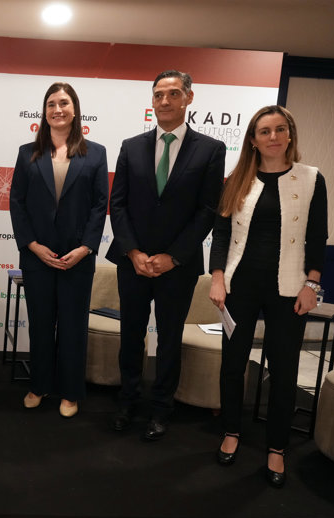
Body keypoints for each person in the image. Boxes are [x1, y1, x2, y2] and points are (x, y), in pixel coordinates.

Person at [209, 105, 327, 488]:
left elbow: (318, 236)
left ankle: (276, 447)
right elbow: (221, 234)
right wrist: (217, 278)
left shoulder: (311, 179)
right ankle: (231, 431)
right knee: (233, 364)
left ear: (289, 135)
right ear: (253, 140)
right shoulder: (237, 180)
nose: (273, 137)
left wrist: (312, 285)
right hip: (240, 286)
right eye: (264, 131)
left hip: (289, 290)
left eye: (279, 129)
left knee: (284, 370)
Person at [107, 70, 225, 439]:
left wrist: (173, 257)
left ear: (189, 98)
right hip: (133, 262)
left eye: (173, 94)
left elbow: (207, 210)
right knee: (131, 335)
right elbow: (118, 204)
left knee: (169, 339)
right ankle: (127, 401)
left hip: (178, 266)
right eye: (158, 94)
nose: (164, 101)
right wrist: (133, 251)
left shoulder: (210, 150)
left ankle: (161, 408)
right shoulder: (131, 146)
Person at [9, 82, 108, 418]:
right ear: (44, 111)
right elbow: (17, 203)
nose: (57, 109)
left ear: (75, 110)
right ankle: (39, 385)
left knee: (72, 327)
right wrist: (32, 245)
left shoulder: (96, 153)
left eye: (64, 103)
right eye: (51, 104)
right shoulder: (27, 152)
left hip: (76, 258)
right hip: (37, 256)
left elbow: (100, 205)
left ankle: (70, 392)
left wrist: (86, 248)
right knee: (40, 324)